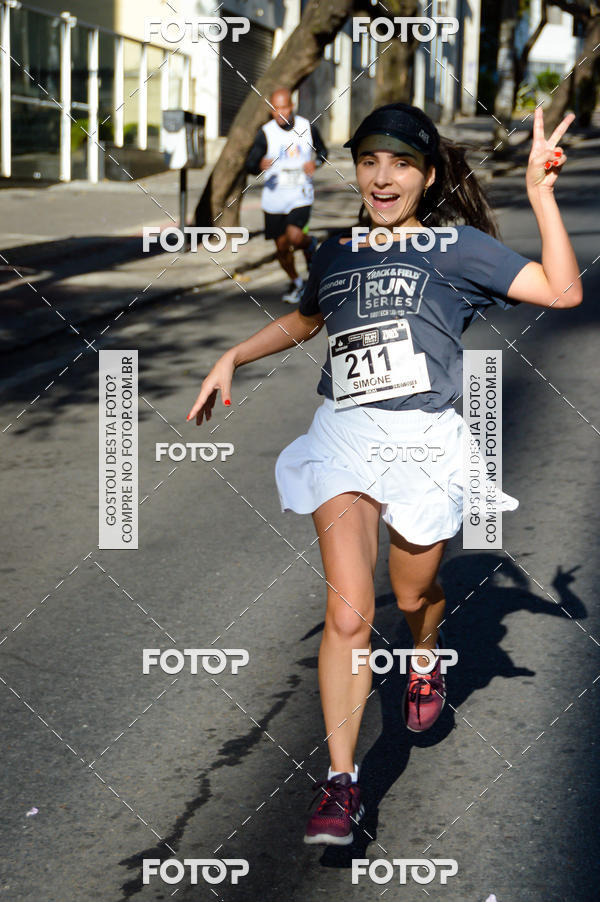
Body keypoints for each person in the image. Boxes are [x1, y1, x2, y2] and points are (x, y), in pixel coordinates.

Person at [188, 102, 582, 846]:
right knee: (348, 614)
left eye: (400, 163)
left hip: (423, 441)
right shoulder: (336, 250)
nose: (381, 176)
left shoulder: (457, 247)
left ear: (427, 176)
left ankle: (425, 652)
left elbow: (563, 291)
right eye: (369, 161)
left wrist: (540, 194)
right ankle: (342, 783)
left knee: (411, 594)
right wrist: (234, 354)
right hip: (343, 435)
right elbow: (308, 318)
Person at [245, 87, 328, 304]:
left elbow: (323, 152)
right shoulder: (265, 133)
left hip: (300, 193)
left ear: (292, 106)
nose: (280, 112)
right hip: (274, 198)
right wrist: (259, 164)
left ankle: (309, 243)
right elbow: (250, 164)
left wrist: (316, 162)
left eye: (284, 107)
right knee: (281, 247)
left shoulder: (306, 127)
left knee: (295, 236)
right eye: (276, 108)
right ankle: (297, 282)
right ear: (271, 110)